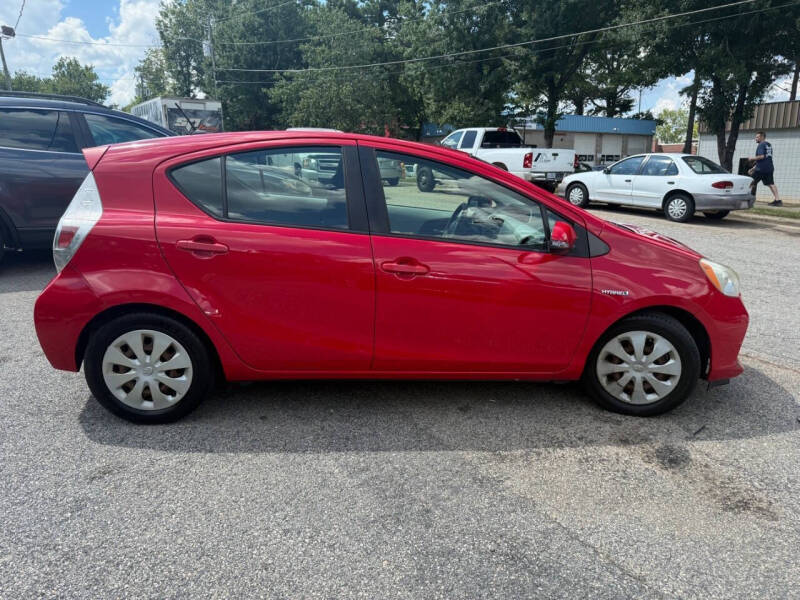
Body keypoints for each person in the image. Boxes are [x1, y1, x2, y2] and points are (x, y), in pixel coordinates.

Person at [748, 131, 781, 206]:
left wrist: (751, 158)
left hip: (761, 169)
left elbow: (762, 156)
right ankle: (778, 200)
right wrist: (753, 168)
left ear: (762, 137)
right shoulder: (768, 144)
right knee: (771, 183)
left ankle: (746, 198)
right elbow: (765, 158)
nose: (756, 138)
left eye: (757, 137)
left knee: (750, 182)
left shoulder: (761, 145)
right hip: (769, 167)